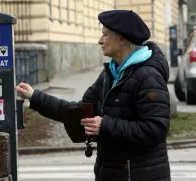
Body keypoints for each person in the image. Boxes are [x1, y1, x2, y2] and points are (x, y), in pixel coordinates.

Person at [15, 9, 171, 181]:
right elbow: (78, 112)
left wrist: (105, 126)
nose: (99, 40)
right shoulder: (109, 74)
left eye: (105, 35)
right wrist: (35, 97)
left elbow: (155, 129)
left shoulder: (148, 77)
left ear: (122, 39)